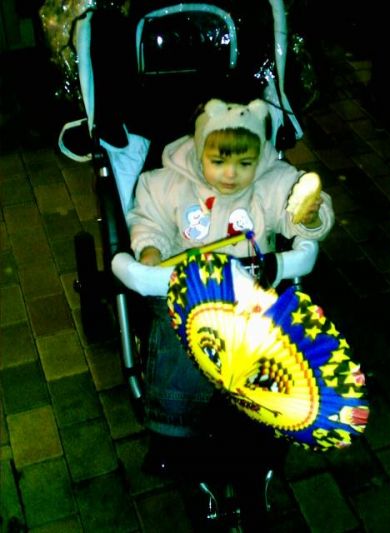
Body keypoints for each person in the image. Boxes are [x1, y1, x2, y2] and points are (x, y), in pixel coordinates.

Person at [112, 98, 334, 526]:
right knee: (176, 344)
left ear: (259, 157)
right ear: (200, 152)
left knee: (277, 348)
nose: (231, 174)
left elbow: (297, 208)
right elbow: (149, 220)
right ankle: (173, 431)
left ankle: (270, 428)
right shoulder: (169, 184)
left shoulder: (271, 182)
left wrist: (308, 215)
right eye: (218, 162)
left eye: (244, 163)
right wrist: (151, 250)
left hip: (249, 292)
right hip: (186, 293)